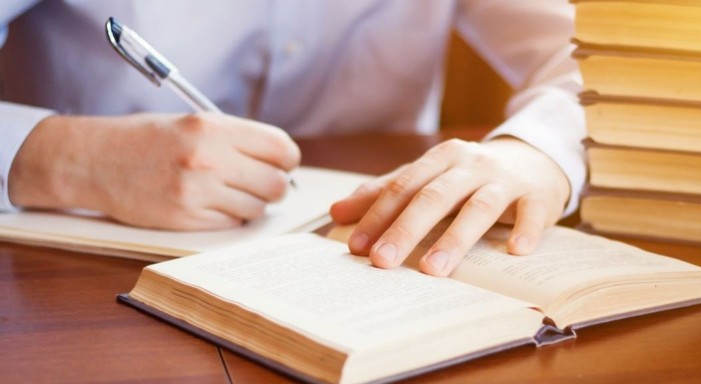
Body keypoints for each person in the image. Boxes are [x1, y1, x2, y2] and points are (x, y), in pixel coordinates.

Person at [0, 1, 585, 277]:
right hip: (70, 272)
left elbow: (585, 51)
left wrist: (536, 148)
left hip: (341, 260)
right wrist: (58, 157)